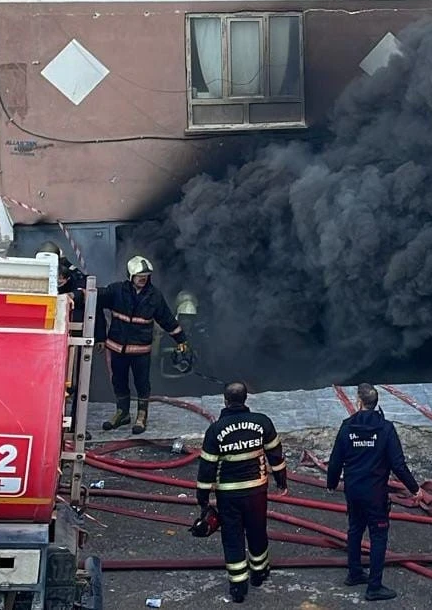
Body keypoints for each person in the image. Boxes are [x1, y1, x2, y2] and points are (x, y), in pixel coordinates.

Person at [326, 383, 424, 602]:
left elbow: (335, 461)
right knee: (378, 536)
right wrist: (415, 489)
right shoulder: (386, 429)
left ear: (359, 401)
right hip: (376, 493)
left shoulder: (347, 427)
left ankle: (354, 573)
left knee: (355, 529)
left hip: (353, 490)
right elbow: (398, 465)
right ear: (376, 402)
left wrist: (331, 484)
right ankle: (374, 587)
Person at [196, 381, 289, 603]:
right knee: (257, 531)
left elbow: (207, 468)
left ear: (225, 401)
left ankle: (238, 587)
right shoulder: (262, 422)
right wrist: (281, 482)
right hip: (256, 491)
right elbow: (276, 456)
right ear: (246, 398)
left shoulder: (216, 430)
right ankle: (259, 573)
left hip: (228, 495)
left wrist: (203, 499)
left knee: (232, 537)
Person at [96, 255, 189, 434]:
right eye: (140, 276)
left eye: (146, 276)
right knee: (118, 381)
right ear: (131, 276)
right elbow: (96, 299)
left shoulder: (154, 296)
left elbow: (167, 319)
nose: (143, 278)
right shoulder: (116, 291)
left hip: (140, 351)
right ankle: (122, 413)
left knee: (142, 383)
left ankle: (141, 415)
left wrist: (181, 340)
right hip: (117, 348)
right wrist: (74, 295)